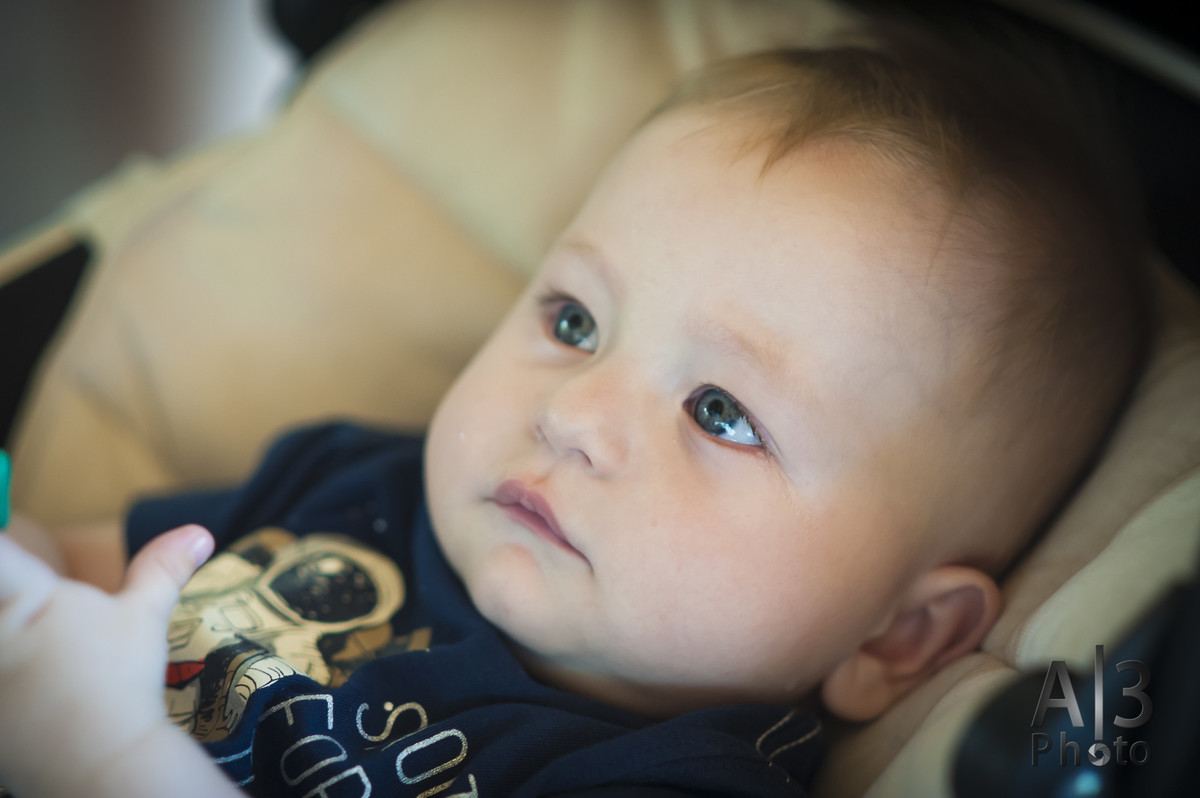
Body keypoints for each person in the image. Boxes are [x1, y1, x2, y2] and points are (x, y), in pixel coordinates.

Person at [0, 22, 1147, 798]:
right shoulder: (354, 478)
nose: (576, 414)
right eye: (574, 322)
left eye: (720, 410)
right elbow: (69, 580)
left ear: (896, 638)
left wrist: (104, 758)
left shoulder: (665, 778)